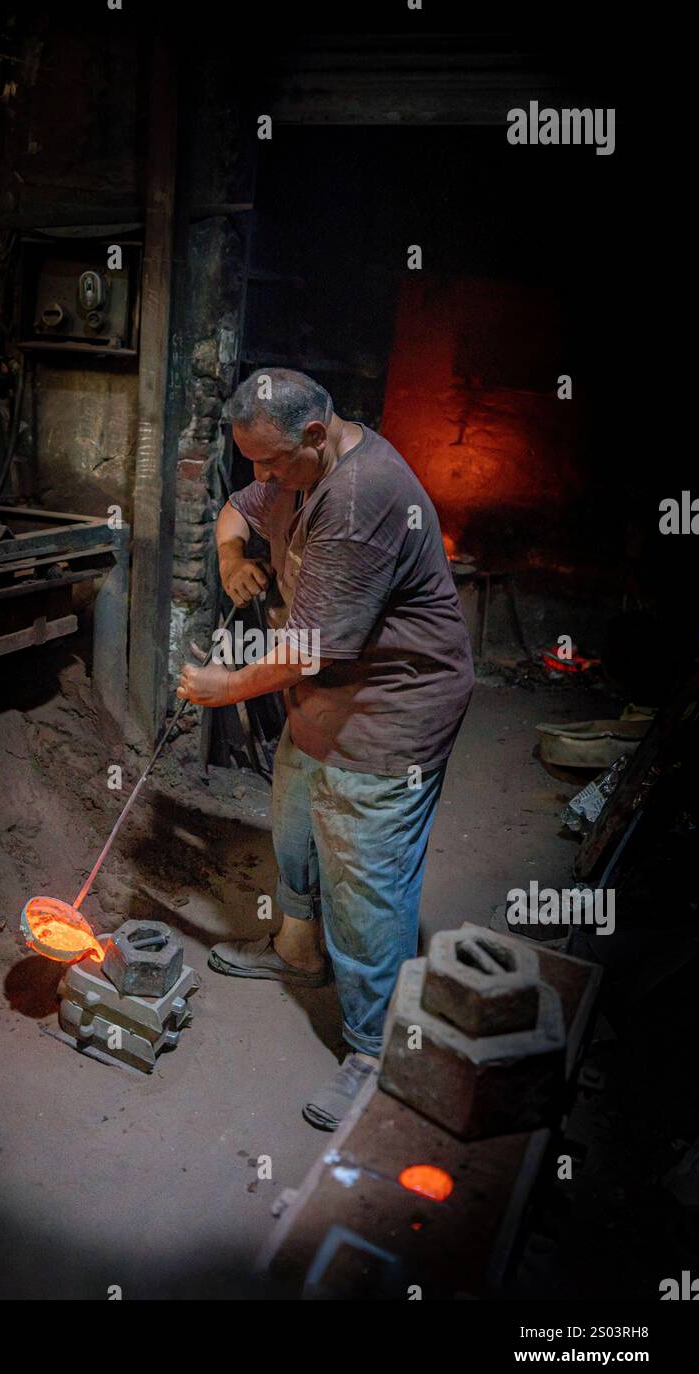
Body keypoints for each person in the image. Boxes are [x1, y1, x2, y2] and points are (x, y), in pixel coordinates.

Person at [177, 368, 474, 1130]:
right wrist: (230, 559)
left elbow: (308, 650)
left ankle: (377, 1053)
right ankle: (300, 951)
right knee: (298, 827)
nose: (261, 476)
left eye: (272, 461)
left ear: (316, 433)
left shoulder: (361, 500)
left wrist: (227, 687)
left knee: (367, 882)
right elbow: (239, 510)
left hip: (389, 713)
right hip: (324, 704)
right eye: (252, 460)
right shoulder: (292, 472)